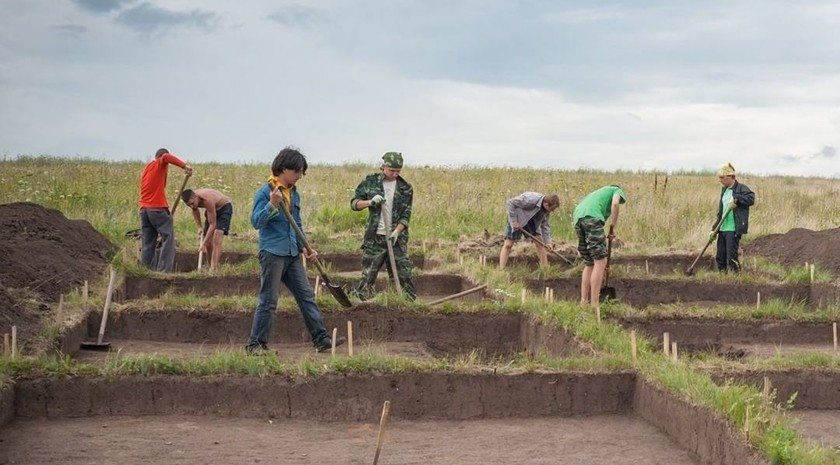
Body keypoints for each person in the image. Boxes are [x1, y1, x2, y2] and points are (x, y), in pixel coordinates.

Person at [245, 146, 345, 354]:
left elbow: (296, 223)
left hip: (292, 254)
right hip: (272, 253)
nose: (300, 176)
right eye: (297, 172)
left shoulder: (294, 194)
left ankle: (321, 339)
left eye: (302, 172)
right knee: (269, 300)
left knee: (306, 296)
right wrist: (271, 205)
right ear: (283, 169)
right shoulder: (265, 192)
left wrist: (305, 247)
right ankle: (256, 345)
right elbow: (256, 222)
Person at [349, 151, 417, 301]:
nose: (394, 174)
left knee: (403, 275)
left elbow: (406, 216)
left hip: (396, 239)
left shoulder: (406, 188)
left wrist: (397, 232)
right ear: (384, 166)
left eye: (398, 171)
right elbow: (354, 204)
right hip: (375, 238)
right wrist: (370, 202)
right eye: (391, 170)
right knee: (368, 276)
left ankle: (407, 305)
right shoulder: (370, 182)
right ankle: (361, 304)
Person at [139, 148, 192, 272]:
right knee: (168, 239)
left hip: (144, 210)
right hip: (157, 209)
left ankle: (146, 270)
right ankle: (164, 271)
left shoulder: (147, 168)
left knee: (148, 242)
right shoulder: (159, 163)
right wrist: (185, 166)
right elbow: (166, 157)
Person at [572, 185, 626, 306]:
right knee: (600, 262)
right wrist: (613, 226)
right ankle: (595, 304)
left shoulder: (598, 192)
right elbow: (615, 204)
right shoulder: (616, 190)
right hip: (592, 218)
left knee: (590, 262)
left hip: (578, 218)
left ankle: (584, 302)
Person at [498, 192, 561, 269]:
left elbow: (545, 226)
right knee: (508, 244)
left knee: (540, 243)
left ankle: (545, 269)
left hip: (532, 221)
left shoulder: (546, 211)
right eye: (551, 209)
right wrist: (514, 221)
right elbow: (510, 203)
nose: (551, 211)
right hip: (518, 217)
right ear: (546, 204)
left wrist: (548, 242)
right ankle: (501, 269)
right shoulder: (530, 199)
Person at [712, 163, 755, 273]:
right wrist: (715, 228)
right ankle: (722, 279)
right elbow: (721, 212)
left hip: (733, 228)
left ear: (730, 177)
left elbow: (751, 199)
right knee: (720, 257)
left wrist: (737, 198)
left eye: (722, 177)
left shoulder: (741, 188)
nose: (720, 180)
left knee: (731, 257)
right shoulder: (724, 191)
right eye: (719, 177)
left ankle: (736, 278)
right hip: (722, 228)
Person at [181, 188, 233, 270]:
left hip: (224, 208)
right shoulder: (193, 201)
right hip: (212, 210)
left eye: (192, 203)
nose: (192, 206)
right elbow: (195, 210)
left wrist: (203, 243)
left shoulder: (207, 200)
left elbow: (213, 224)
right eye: (189, 205)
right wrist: (199, 227)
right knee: (209, 242)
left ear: (196, 197)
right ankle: (210, 265)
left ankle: (214, 268)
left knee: (217, 235)